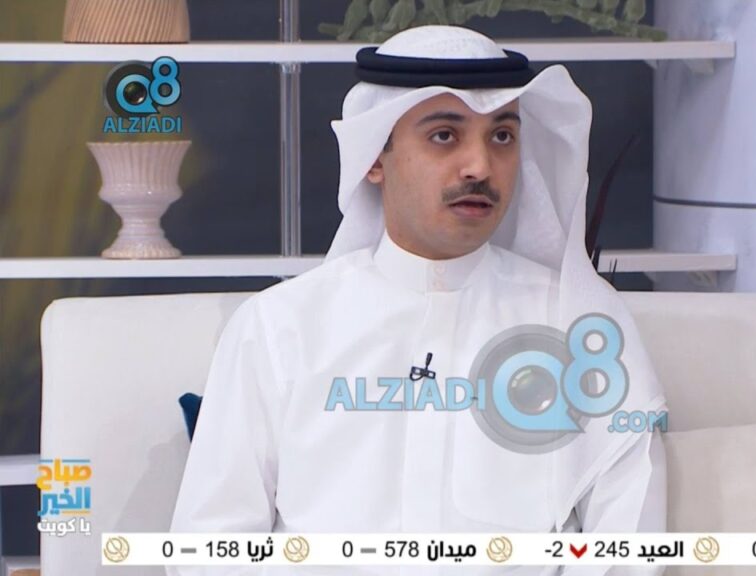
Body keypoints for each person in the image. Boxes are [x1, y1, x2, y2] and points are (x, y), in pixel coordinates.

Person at [169, 24, 667, 576]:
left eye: (502, 136)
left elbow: (627, 542)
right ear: (373, 158)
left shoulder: (580, 322)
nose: (480, 166)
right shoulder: (278, 327)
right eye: (444, 135)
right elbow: (210, 545)